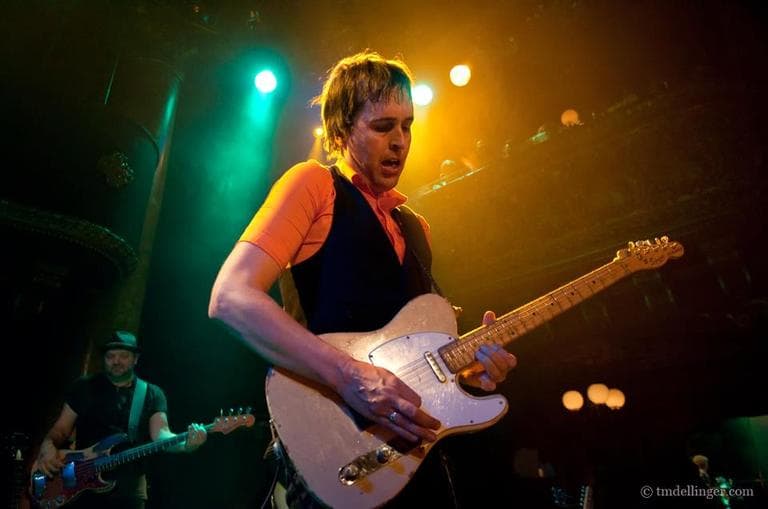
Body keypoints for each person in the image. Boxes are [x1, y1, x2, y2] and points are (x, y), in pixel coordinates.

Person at [208, 50, 517, 507]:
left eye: (407, 126)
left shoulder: (415, 228)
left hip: (412, 457)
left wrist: (470, 369)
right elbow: (230, 297)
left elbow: (410, 354)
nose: (400, 141)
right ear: (340, 131)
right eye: (383, 126)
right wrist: (351, 376)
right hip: (331, 446)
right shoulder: (314, 185)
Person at [32, 330, 208, 509]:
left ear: (135, 359)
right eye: (110, 356)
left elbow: (161, 434)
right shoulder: (83, 387)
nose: (116, 361)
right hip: (80, 483)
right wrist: (47, 446)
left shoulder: (152, 394)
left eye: (123, 356)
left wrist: (186, 445)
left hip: (129, 489)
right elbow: (61, 429)